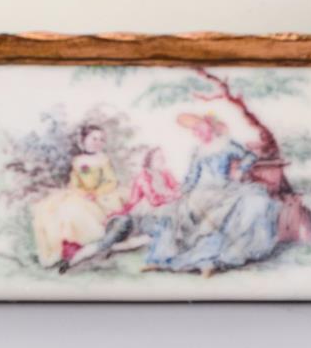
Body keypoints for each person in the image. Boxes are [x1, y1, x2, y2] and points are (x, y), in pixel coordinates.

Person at [143, 113, 280, 276]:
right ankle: (158, 259)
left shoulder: (227, 145)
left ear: (210, 127)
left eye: (198, 128)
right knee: (172, 211)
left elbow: (250, 156)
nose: (195, 132)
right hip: (199, 192)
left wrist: (240, 170)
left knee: (249, 204)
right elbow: (192, 177)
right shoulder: (198, 151)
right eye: (194, 130)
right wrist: (181, 191)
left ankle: (206, 261)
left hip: (223, 190)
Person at [32, 125, 124, 269]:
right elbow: (74, 184)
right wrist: (82, 193)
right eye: (94, 138)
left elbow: (111, 181)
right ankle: (62, 249)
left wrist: (96, 193)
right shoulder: (77, 161)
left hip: (100, 196)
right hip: (81, 195)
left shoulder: (103, 159)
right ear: (83, 140)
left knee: (77, 211)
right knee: (57, 210)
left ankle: (82, 247)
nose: (98, 142)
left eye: (101, 139)